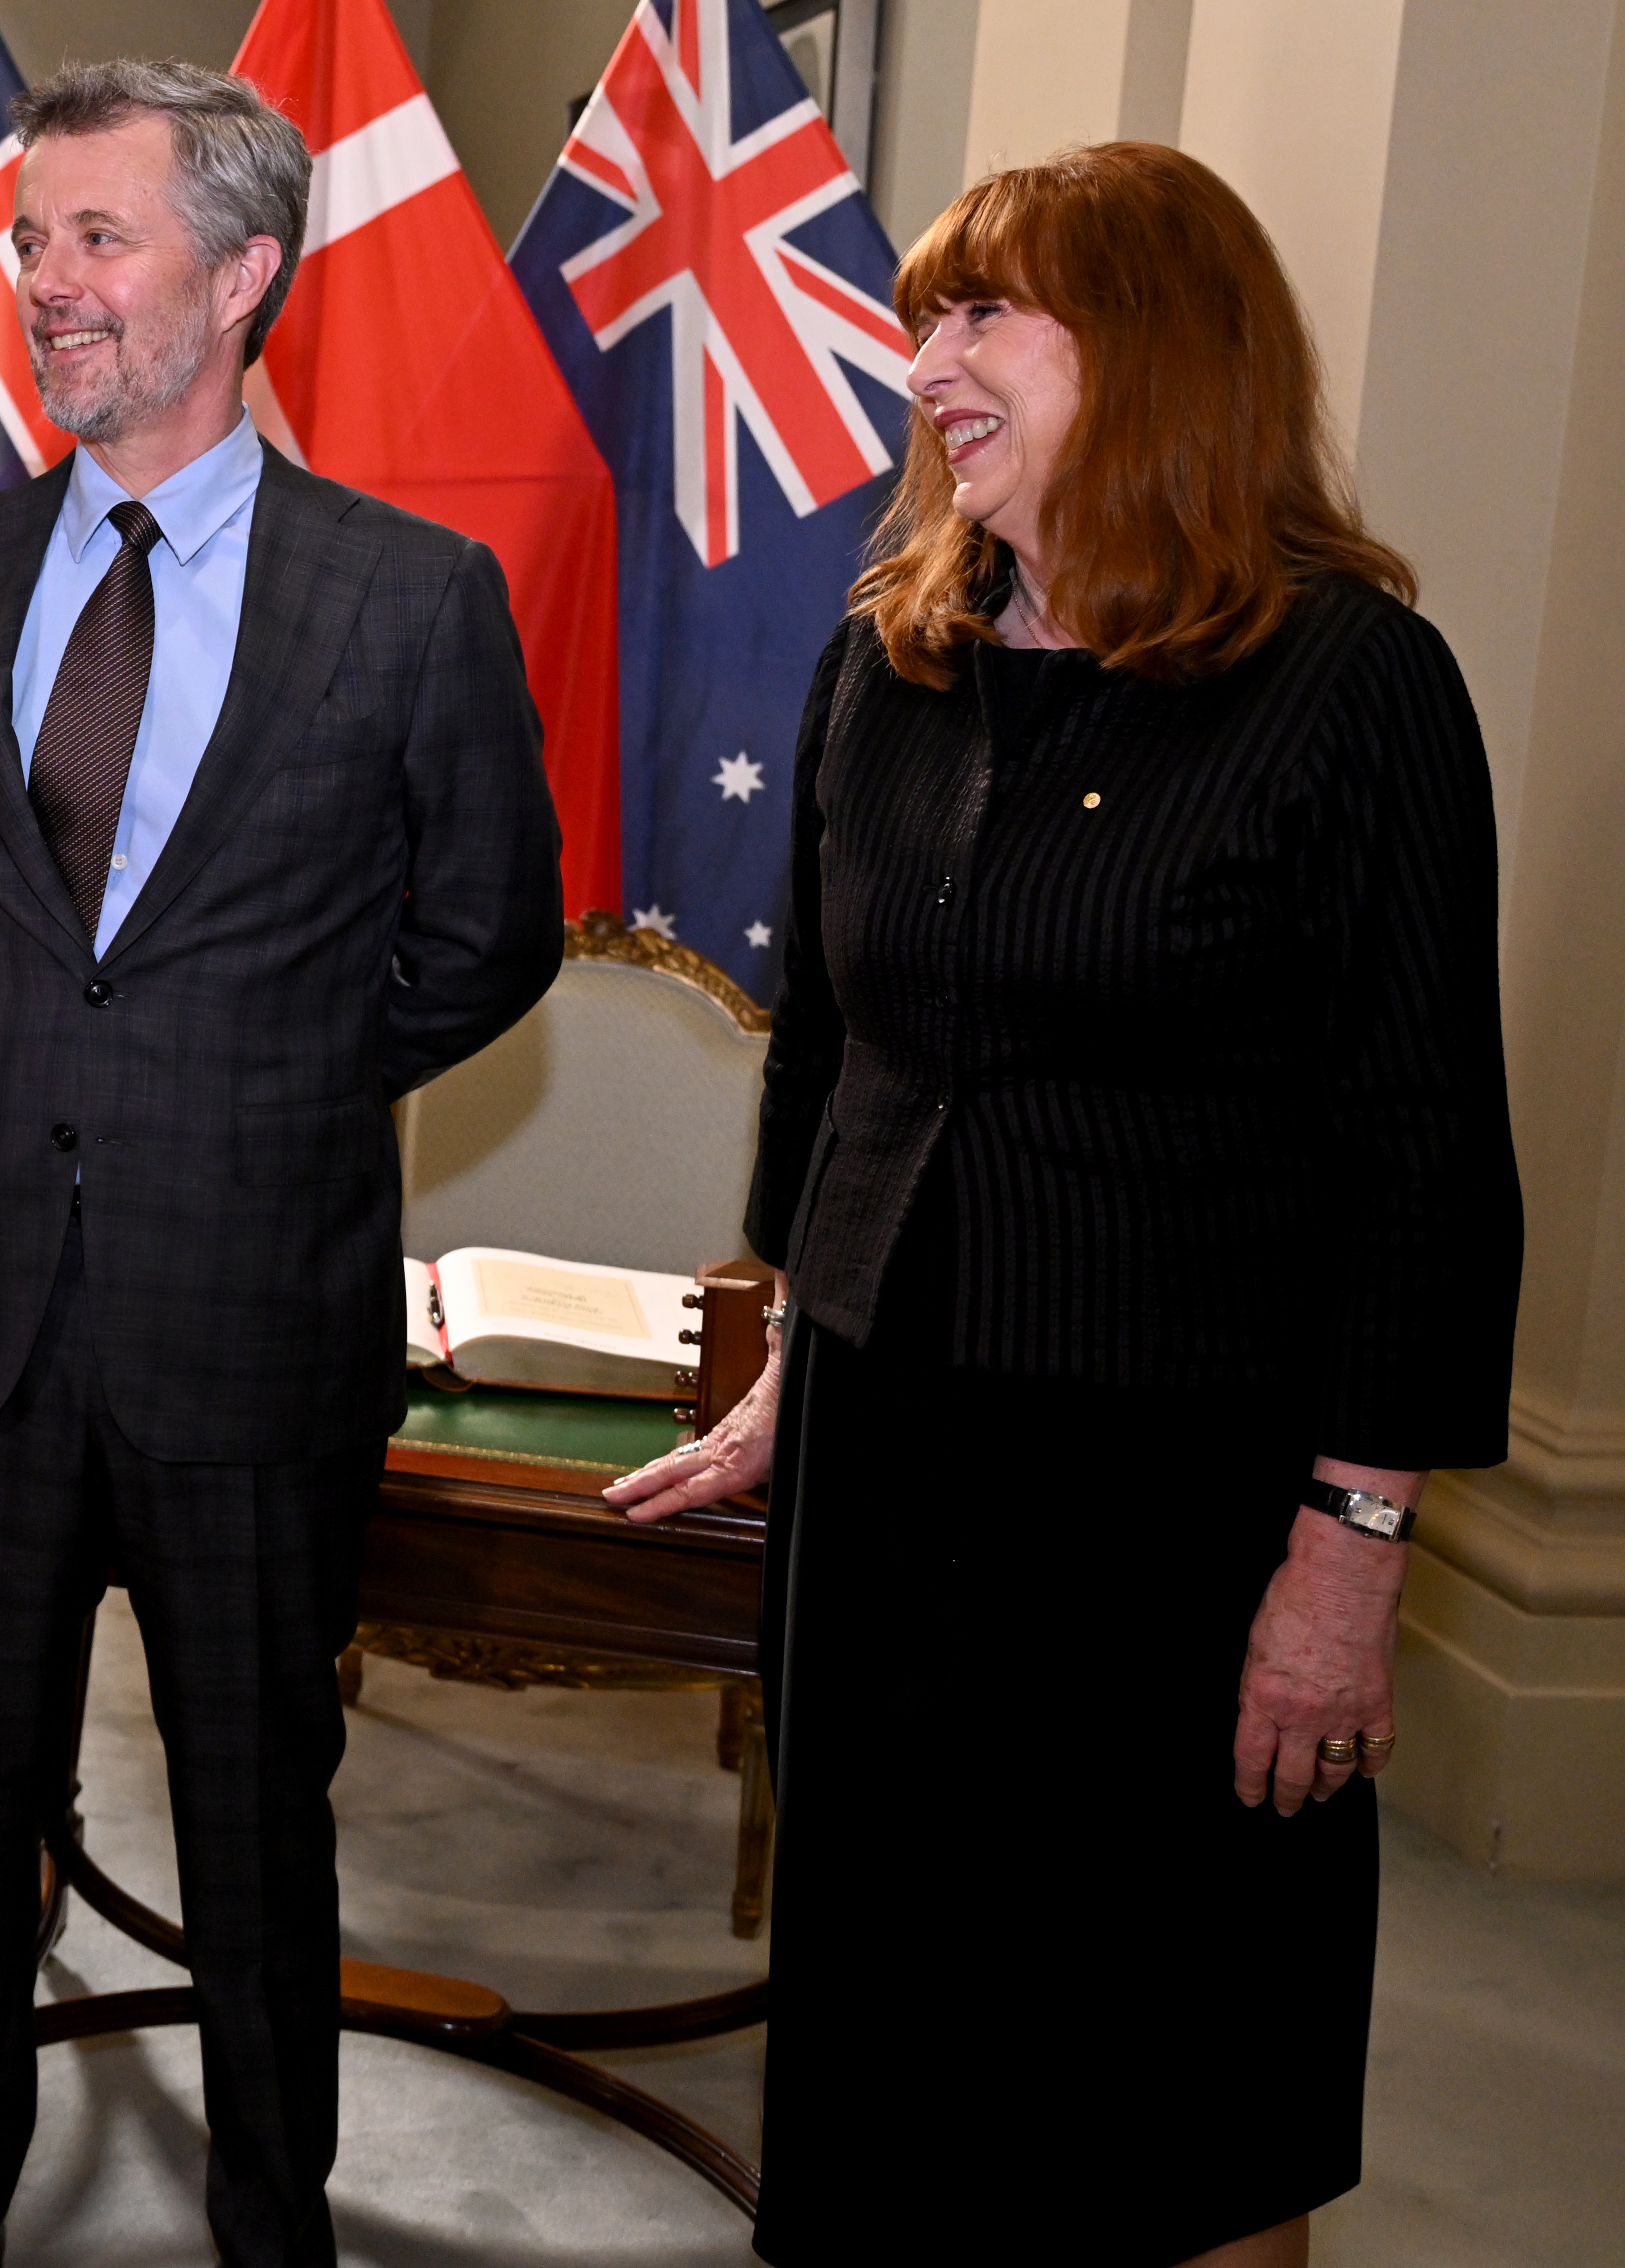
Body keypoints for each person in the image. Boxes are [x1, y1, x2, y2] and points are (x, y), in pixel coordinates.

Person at [604, 142, 1523, 2268]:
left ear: (1157, 357)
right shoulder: (892, 658)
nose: (923, 361)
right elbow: (834, 1054)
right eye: (928, 315)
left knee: (1167, 2087)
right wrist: (781, 1377)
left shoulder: (1351, 687)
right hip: (886, 1450)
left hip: (1168, 1506)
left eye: (979, 315)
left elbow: (1422, 1155)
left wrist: (1350, 1552)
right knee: (890, 2039)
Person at [0, 59, 565, 2268]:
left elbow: (484, 931)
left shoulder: (405, 599)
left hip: (252, 1314)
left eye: (95, 237)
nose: (42, 282)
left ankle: (268, 2222)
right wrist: (13, 1052)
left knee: (254, 1818)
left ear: (239, 273)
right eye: (29, 238)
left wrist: (262, 1073)